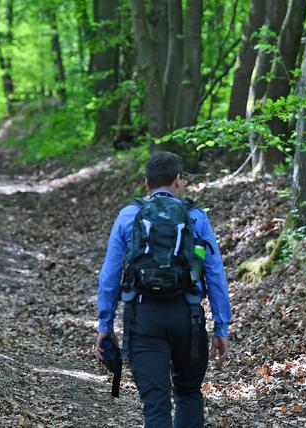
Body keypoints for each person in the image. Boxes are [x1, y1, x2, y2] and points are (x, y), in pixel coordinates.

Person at [94, 151, 232, 427]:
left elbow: (109, 275)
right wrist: (221, 327)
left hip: (143, 317)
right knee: (189, 393)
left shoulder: (128, 216)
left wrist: (104, 325)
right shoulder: (196, 217)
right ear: (178, 181)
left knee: (155, 406)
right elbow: (215, 274)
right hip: (188, 317)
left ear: (147, 184)